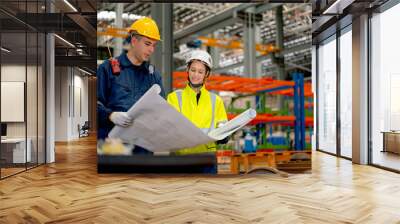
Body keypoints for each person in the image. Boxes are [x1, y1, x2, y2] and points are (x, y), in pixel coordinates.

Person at [97, 17, 165, 154]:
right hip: (113, 148)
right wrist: (111, 115)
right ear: (134, 41)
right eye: (147, 44)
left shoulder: (154, 76)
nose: (152, 49)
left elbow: (161, 111)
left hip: (143, 150)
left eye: (154, 45)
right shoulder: (108, 69)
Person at [167, 50, 229, 159]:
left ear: (207, 74)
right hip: (181, 157)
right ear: (187, 70)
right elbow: (169, 127)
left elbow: (222, 125)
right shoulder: (174, 98)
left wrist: (224, 135)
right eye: (193, 70)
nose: (196, 75)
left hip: (207, 158)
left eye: (200, 72)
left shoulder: (216, 101)